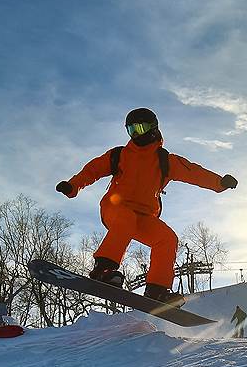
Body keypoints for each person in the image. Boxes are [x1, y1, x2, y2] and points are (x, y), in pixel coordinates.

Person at [55, 108, 237, 307]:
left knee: (167, 239)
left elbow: (194, 172)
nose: (136, 134)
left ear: (152, 128)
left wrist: (219, 183)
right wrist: (72, 186)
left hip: (144, 216)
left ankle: (157, 290)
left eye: (140, 128)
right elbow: (92, 170)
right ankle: (104, 269)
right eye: (131, 130)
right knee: (126, 219)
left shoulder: (165, 160)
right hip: (115, 209)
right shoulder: (120, 154)